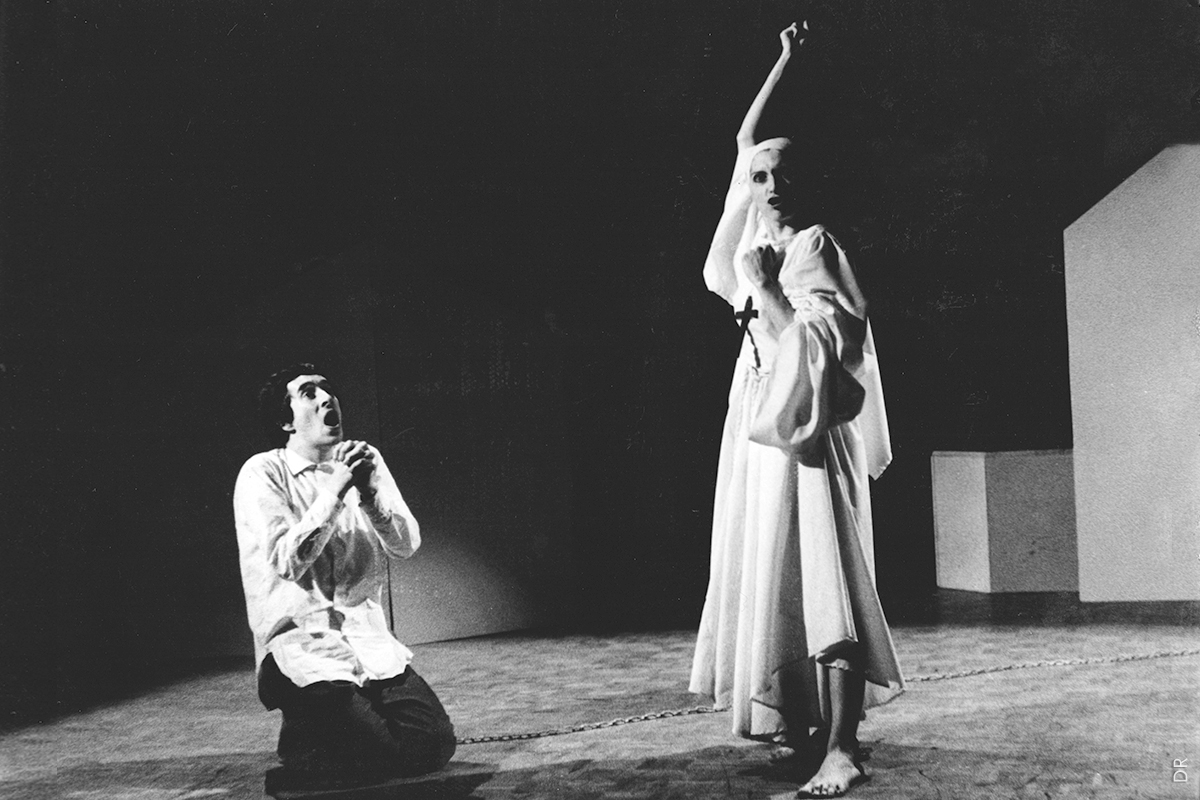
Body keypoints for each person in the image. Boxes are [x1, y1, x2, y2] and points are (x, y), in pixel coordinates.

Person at [689, 23, 904, 799]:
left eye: (783, 173)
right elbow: (743, 140)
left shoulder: (814, 247)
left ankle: (843, 745)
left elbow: (827, 355)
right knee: (775, 573)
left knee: (826, 577)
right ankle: (805, 725)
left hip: (812, 429)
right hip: (757, 424)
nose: (770, 184)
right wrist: (781, 62)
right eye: (760, 176)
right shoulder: (750, 246)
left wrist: (769, 291)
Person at [234, 363, 456, 790]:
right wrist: (334, 492)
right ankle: (305, 745)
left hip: (368, 644)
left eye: (328, 389)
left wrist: (369, 494)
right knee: (384, 752)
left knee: (434, 743)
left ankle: (327, 742)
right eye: (308, 393)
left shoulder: (364, 459)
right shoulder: (263, 472)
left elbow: (405, 544)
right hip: (303, 650)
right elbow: (286, 561)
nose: (325, 397)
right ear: (286, 421)